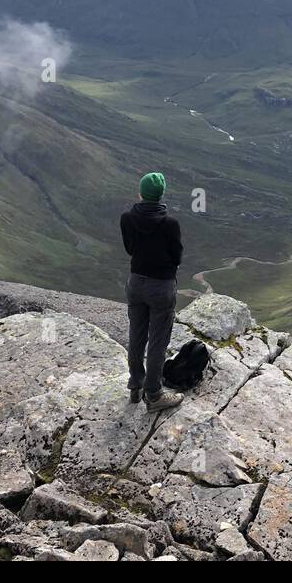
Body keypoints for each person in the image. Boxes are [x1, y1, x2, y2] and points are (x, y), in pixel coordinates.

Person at [119, 171, 184, 411]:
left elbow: (130, 249)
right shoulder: (170, 224)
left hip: (136, 282)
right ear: (161, 195)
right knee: (157, 341)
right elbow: (177, 255)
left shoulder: (127, 218)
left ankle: (135, 385)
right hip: (161, 286)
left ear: (141, 193)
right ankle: (154, 394)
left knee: (136, 335)